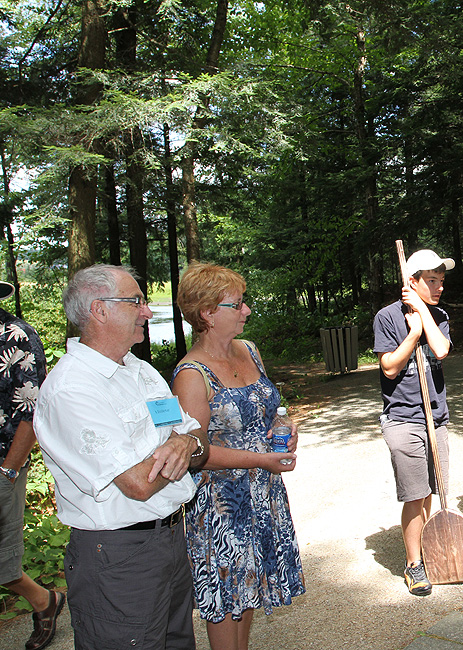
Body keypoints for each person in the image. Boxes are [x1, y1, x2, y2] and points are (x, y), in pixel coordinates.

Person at [33, 264, 208, 649]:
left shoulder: (140, 371)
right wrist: (185, 447)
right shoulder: (71, 390)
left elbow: (196, 434)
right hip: (118, 558)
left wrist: (186, 445)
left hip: (169, 542)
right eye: (136, 301)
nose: (147, 311)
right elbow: (136, 485)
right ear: (99, 310)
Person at [170, 263, 304, 650]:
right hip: (222, 506)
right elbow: (195, 454)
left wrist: (286, 425)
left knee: (248, 595)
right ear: (208, 314)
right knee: (228, 597)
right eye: (237, 304)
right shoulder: (191, 375)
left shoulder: (249, 350)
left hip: (263, 493)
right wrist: (261, 460)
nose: (246, 311)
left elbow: (268, 407)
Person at [374, 249, 454, 596]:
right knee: (415, 494)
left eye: (441, 281)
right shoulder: (386, 317)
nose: (438, 288)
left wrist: (423, 313)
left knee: (434, 492)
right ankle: (414, 565)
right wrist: (412, 334)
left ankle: (428, 548)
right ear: (412, 281)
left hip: (435, 418)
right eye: (431, 281)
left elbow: (441, 350)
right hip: (403, 418)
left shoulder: (439, 314)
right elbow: (389, 367)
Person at [0, 281, 64, 650]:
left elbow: (31, 410)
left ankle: (44, 600)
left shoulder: (16, 336)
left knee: (4, 556)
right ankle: (45, 600)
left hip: (3, 463)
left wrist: (9, 470)